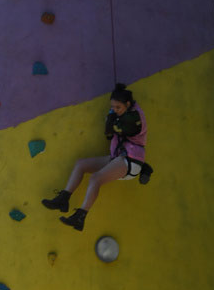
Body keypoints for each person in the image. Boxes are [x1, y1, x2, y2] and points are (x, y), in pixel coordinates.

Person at [41, 83, 151, 231]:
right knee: (81, 164)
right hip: (118, 157)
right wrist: (112, 120)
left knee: (95, 178)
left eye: (118, 107)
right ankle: (63, 199)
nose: (115, 110)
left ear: (128, 104)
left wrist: (111, 121)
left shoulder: (135, 117)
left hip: (131, 160)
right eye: (113, 107)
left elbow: (116, 129)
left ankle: (80, 217)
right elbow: (109, 134)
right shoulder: (122, 113)